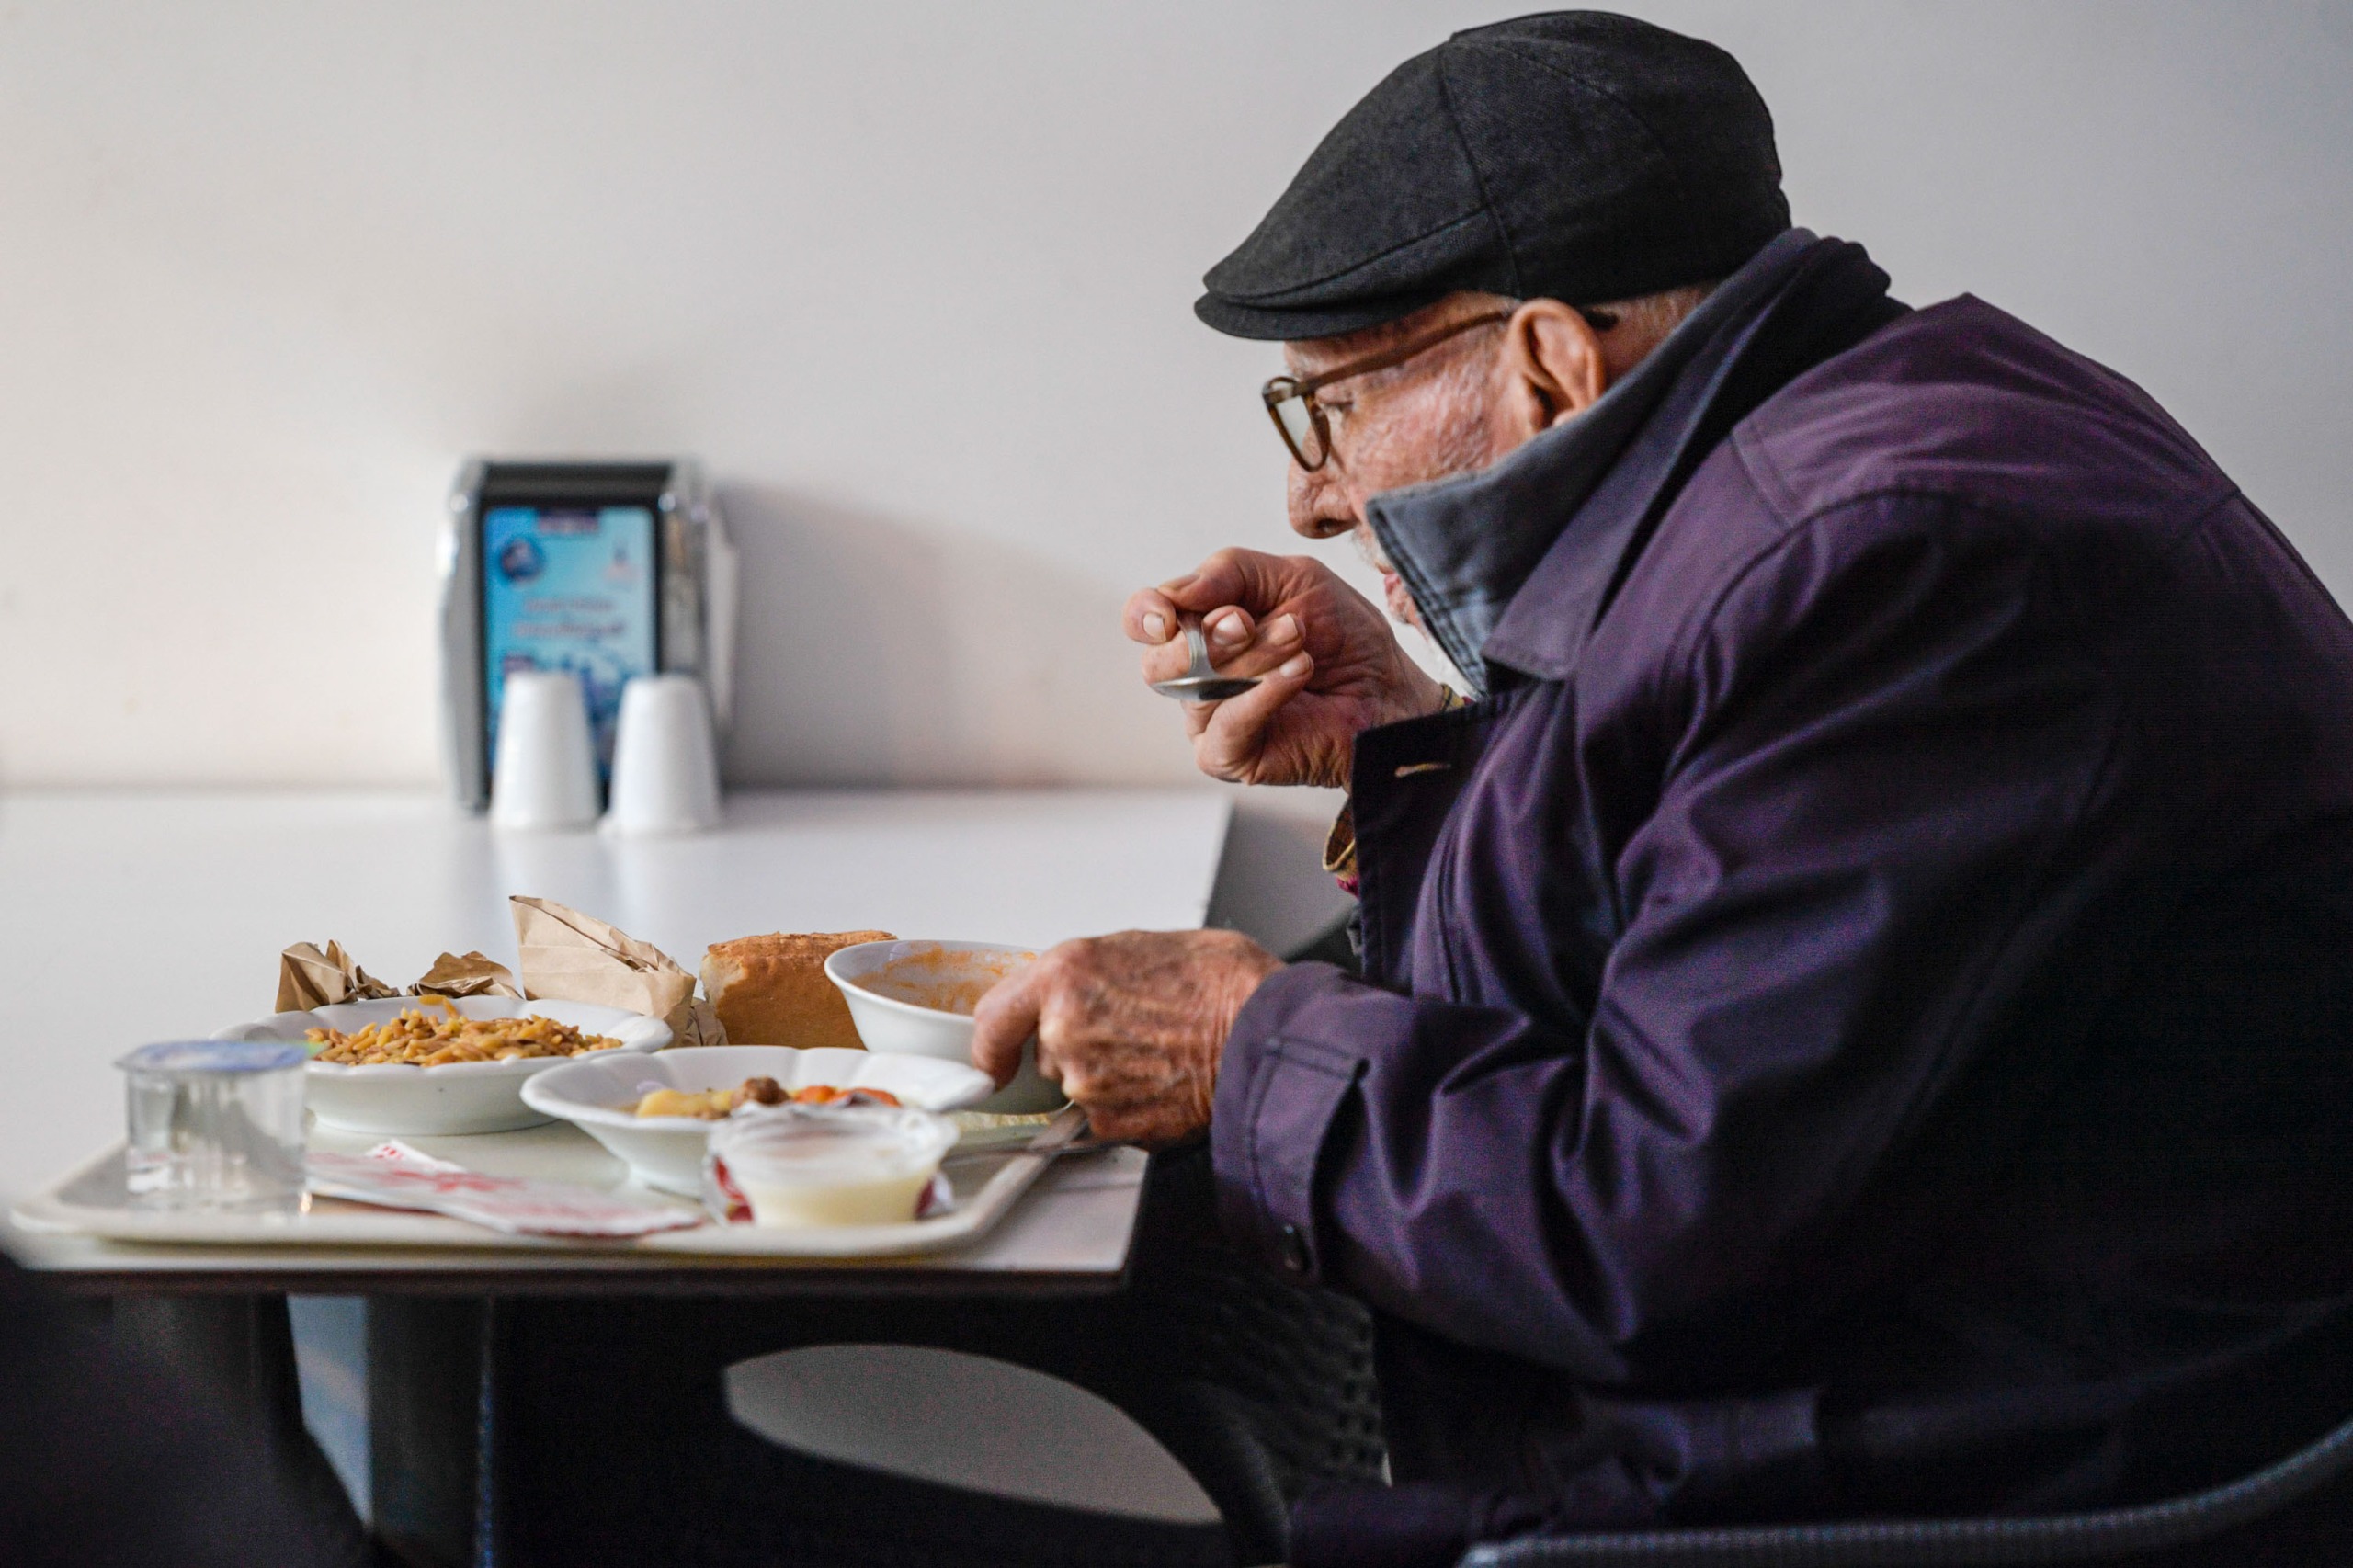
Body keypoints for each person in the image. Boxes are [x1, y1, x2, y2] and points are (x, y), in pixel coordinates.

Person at [972, 12, 2353, 1566]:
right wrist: (1414, 735)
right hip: (1872, 1382)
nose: (1312, 487)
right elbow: (1691, 923)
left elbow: (1653, 1227)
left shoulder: (1899, 561)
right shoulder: (1846, 451)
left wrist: (1245, 1047)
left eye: (1332, 403)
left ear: (1554, 360)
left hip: (1935, 1481)